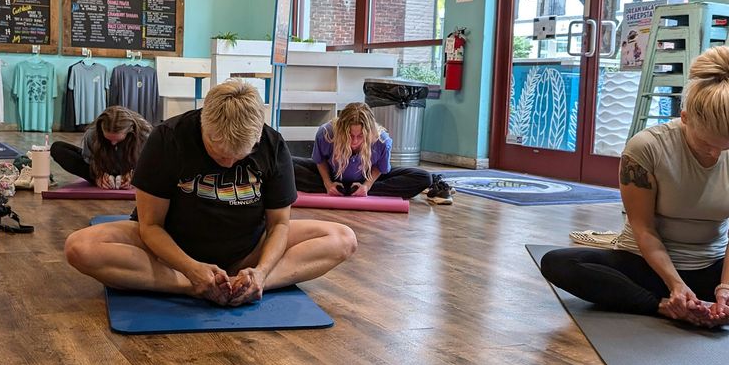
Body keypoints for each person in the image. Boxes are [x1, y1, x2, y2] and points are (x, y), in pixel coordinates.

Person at [539, 47, 729, 327]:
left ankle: (726, 310)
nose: (715, 154)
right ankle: (663, 306)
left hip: (714, 268)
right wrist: (675, 285)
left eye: (728, 145)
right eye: (707, 143)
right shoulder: (646, 147)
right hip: (647, 269)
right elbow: (644, 229)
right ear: (685, 118)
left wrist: (727, 288)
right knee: (558, 263)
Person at [65, 80, 356, 306]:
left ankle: (252, 284)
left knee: (343, 238)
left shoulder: (272, 144)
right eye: (219, 152)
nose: (228, 163)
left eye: (238, 156)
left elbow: (279, 224)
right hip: (172, 253)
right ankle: (191, 286)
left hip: (249, 250)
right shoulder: (167, 139)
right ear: (205, 124)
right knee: (80, 247)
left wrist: (262, 271)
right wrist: (191, 271)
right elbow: (150, 226)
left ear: (256, 138)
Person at [292, 102, 453, 203]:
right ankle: (341, 189)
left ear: (369, 132)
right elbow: (319, 161)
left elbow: (380, 169)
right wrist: (327, 183)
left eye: (360, 136)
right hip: (332, 175)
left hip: (367, 178)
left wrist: (366, 186)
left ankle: (354, 191)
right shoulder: (326, 133)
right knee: (286, 163)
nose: (355, 141)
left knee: (424, 177)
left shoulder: (382, 140)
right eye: (350, 136)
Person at [51, 106, 151, 189]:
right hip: (102, 167)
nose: (113, 143)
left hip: (131, 168)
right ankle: (102, 180)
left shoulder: (144, 135)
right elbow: (89, 160)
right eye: (109, 139)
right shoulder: (92, 134)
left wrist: (135, 177)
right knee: (58, 148)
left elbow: (149, 164)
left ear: (130, 131)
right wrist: (97, 175)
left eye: (118, 140)